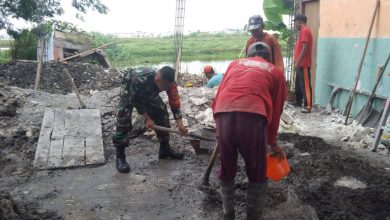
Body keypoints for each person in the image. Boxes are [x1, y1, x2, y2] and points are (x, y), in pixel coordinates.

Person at [212, 42, 287, 220]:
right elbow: (276, 110)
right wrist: (272, 142)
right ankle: (253, 217)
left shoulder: (234, 64)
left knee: (227, 166)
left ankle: (228, 214)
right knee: (256, 170)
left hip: (223, 113)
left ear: (248, 55)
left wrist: (219, 128)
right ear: (269, 58)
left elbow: (220, 94)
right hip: (253, 117)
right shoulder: (275, 72)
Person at [112, 66, 188, 173]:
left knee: (161, 111)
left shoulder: (170, 83)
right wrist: (147, 119)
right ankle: (120, 157)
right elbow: (136, 100)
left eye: (167, 87)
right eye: (163, 87)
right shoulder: (139, 79)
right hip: (130, 90)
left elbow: (174, 103)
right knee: (123, 118)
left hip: (149, 90)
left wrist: (180, 125)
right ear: (157, 79)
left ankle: (165, 149)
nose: (165, 89)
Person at [293, 14, 313, 113]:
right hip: (300, 63)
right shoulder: (302, 31)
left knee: (305, 85)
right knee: (299, 84)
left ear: (299, 21)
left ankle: (308, 106)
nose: (294, 25)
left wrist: (299, 61)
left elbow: (305, 47)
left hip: (303, 63)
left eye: (295, 22)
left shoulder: (305, 30)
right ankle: (298, 101)